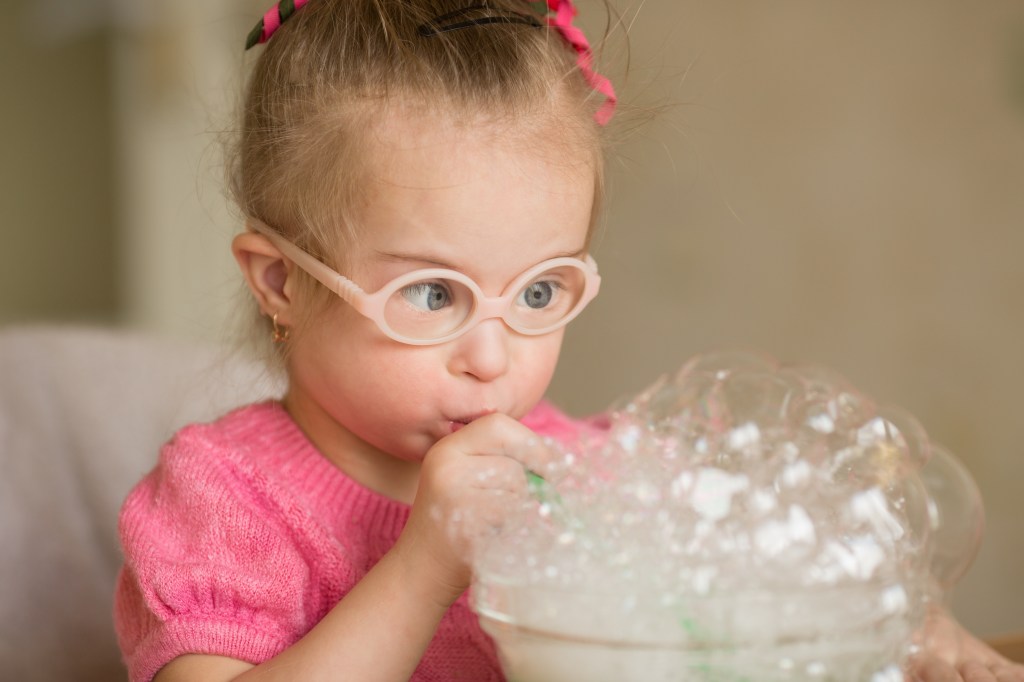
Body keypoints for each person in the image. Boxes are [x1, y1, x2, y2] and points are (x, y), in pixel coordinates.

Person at [113, 1, 1022, 681]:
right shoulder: (221, 500)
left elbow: (740, 596)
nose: (494, 357)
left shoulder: (580, 477)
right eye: (435, 293)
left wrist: (888, 619)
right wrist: (425, 565)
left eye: (541, 290)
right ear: (283, 282)